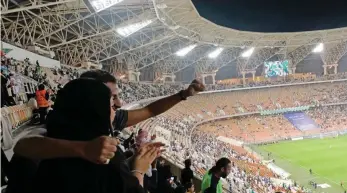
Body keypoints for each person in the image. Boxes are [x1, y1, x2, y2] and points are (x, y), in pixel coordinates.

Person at [34, 78, 162, 193]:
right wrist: (139, 170)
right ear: (95, 110)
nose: (115, 109)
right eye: (110, 105)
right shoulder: (105, 157)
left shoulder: (51, 149)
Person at [13, 71, 205, 164]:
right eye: (113, 97)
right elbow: (22, 146)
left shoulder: (112, 118)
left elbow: (150, 111)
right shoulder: (66, 122)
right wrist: (83, 149)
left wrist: (182, 95)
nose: (120, 103)